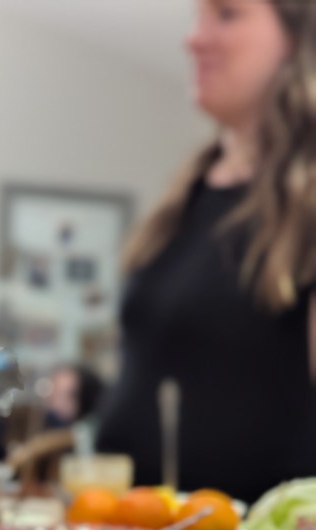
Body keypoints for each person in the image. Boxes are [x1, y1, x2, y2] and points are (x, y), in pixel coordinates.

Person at [96, 0, 316, 504]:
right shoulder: (189, 193)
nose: (195, 39)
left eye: (227, 14)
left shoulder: (306, 210)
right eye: (199, 17)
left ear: (297, 36)